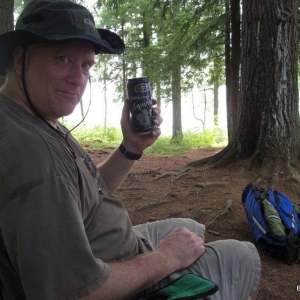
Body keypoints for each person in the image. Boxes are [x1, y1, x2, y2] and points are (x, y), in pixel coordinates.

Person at [0, 0, 261, 299]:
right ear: (19, 60)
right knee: (239, 255)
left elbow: (87, 188)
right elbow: (73, 292)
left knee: (189, 225)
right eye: (62, 59)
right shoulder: (32, 157)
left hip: (108, 246)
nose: (78, 78)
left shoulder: (35, 118)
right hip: (106, 276)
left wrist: (131, 147)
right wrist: (165, 259)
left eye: (86, 65)